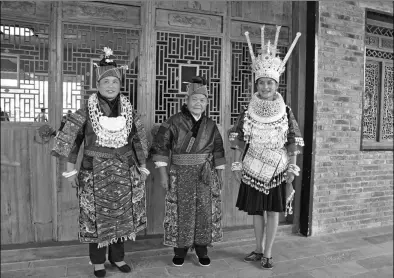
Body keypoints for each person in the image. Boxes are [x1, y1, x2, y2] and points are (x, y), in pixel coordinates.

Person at [51, 47, 149, 277]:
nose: (110, 86)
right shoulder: (85, 112)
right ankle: (97, 262)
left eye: (114, 82)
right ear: (98, 84)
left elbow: (138, 140)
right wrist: (70, 172)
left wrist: (142, 166)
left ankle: (117, 258)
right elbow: (72, 142)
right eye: (106, 82)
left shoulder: (129, 111)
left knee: (122, 215)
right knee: (94, 217)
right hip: (93, 172)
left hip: (124, 171)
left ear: (120, 84)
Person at [229, 26, 304, 270]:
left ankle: (268, 252)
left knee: (272, 212)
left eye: (269, 83)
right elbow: (239, 138)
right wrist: (237, 165)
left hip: (277, 168)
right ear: (257, 84)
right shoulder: (247, 110)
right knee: (255, 212)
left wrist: (292, 168)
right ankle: (258, 248)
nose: (265, 87)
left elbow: (292, 140)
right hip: (251, 167)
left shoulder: (286, 111)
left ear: (276, 84)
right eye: (261, 83)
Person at [151, 76, 226, 267]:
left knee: (204, 211)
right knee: (180, 211)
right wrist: (162, 175)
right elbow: (160, 148)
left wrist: (220, 174)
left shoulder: (211, 125)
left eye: (202, 100)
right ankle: (180, 250)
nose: (198, 104)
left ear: (207, 103)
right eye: (194, 99)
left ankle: (202, 249)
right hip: (179, 173)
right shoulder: (173, 122)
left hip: (205, 174)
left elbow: (218, 149)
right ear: (186, 101)